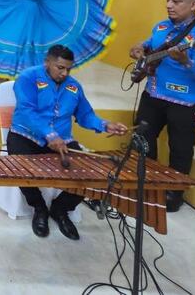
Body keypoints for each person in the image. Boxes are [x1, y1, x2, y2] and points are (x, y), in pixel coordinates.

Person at [8, 45, 128, 240]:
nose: (64, 73)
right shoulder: (28, 78)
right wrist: (49, 134)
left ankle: (60, 209)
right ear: (47, 62)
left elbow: (86, 115)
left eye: (68, 69)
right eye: (60, 67)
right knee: (20, 169)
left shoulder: (74, 87)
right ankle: (38, 207)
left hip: (62, 141)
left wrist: (105, 125)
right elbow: (26, 111)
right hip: (26, 136)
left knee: (91, 175)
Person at [129, 0, 195, 212]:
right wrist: (139, 48)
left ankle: (174, 193)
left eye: (177, 1)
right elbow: (149, 44)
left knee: (180, 147)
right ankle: (147, 183)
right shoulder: (161, 26)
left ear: (193, 5)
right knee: (142, 139)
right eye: (168, 0)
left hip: (188, 100)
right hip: (154, 93)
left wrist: (186, 61)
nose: (169, 5)